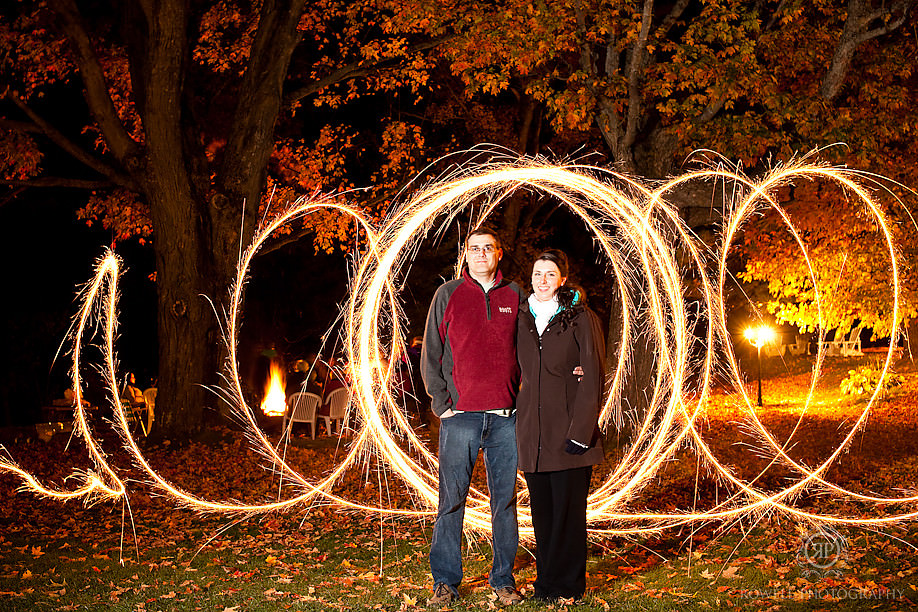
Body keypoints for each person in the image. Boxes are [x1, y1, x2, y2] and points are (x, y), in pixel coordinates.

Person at [421, 226, 525, 606]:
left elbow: (530, 349)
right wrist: (441, 402)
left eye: (488, 248)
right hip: (460, 417)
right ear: (466, 255)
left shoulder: (515, 295)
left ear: (499, 253)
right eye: (474, 249)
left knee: (505, 503)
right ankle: (446, 581)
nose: (481, 254)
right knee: (450, 502)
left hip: (505, 418)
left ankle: (503, 580)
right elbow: (431, 352)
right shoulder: (447, 294)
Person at [516, 249, 605, 602]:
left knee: (568, 517)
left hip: (569, 434)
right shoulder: (521, 317)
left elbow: (594, 374)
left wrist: (581, 434)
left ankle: (567, 586)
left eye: (550, 274)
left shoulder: (580, 318)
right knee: (544, 517)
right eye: (538, 273)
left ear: (562, 279)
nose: (542, 280)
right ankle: (546, 584)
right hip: (533, 434)